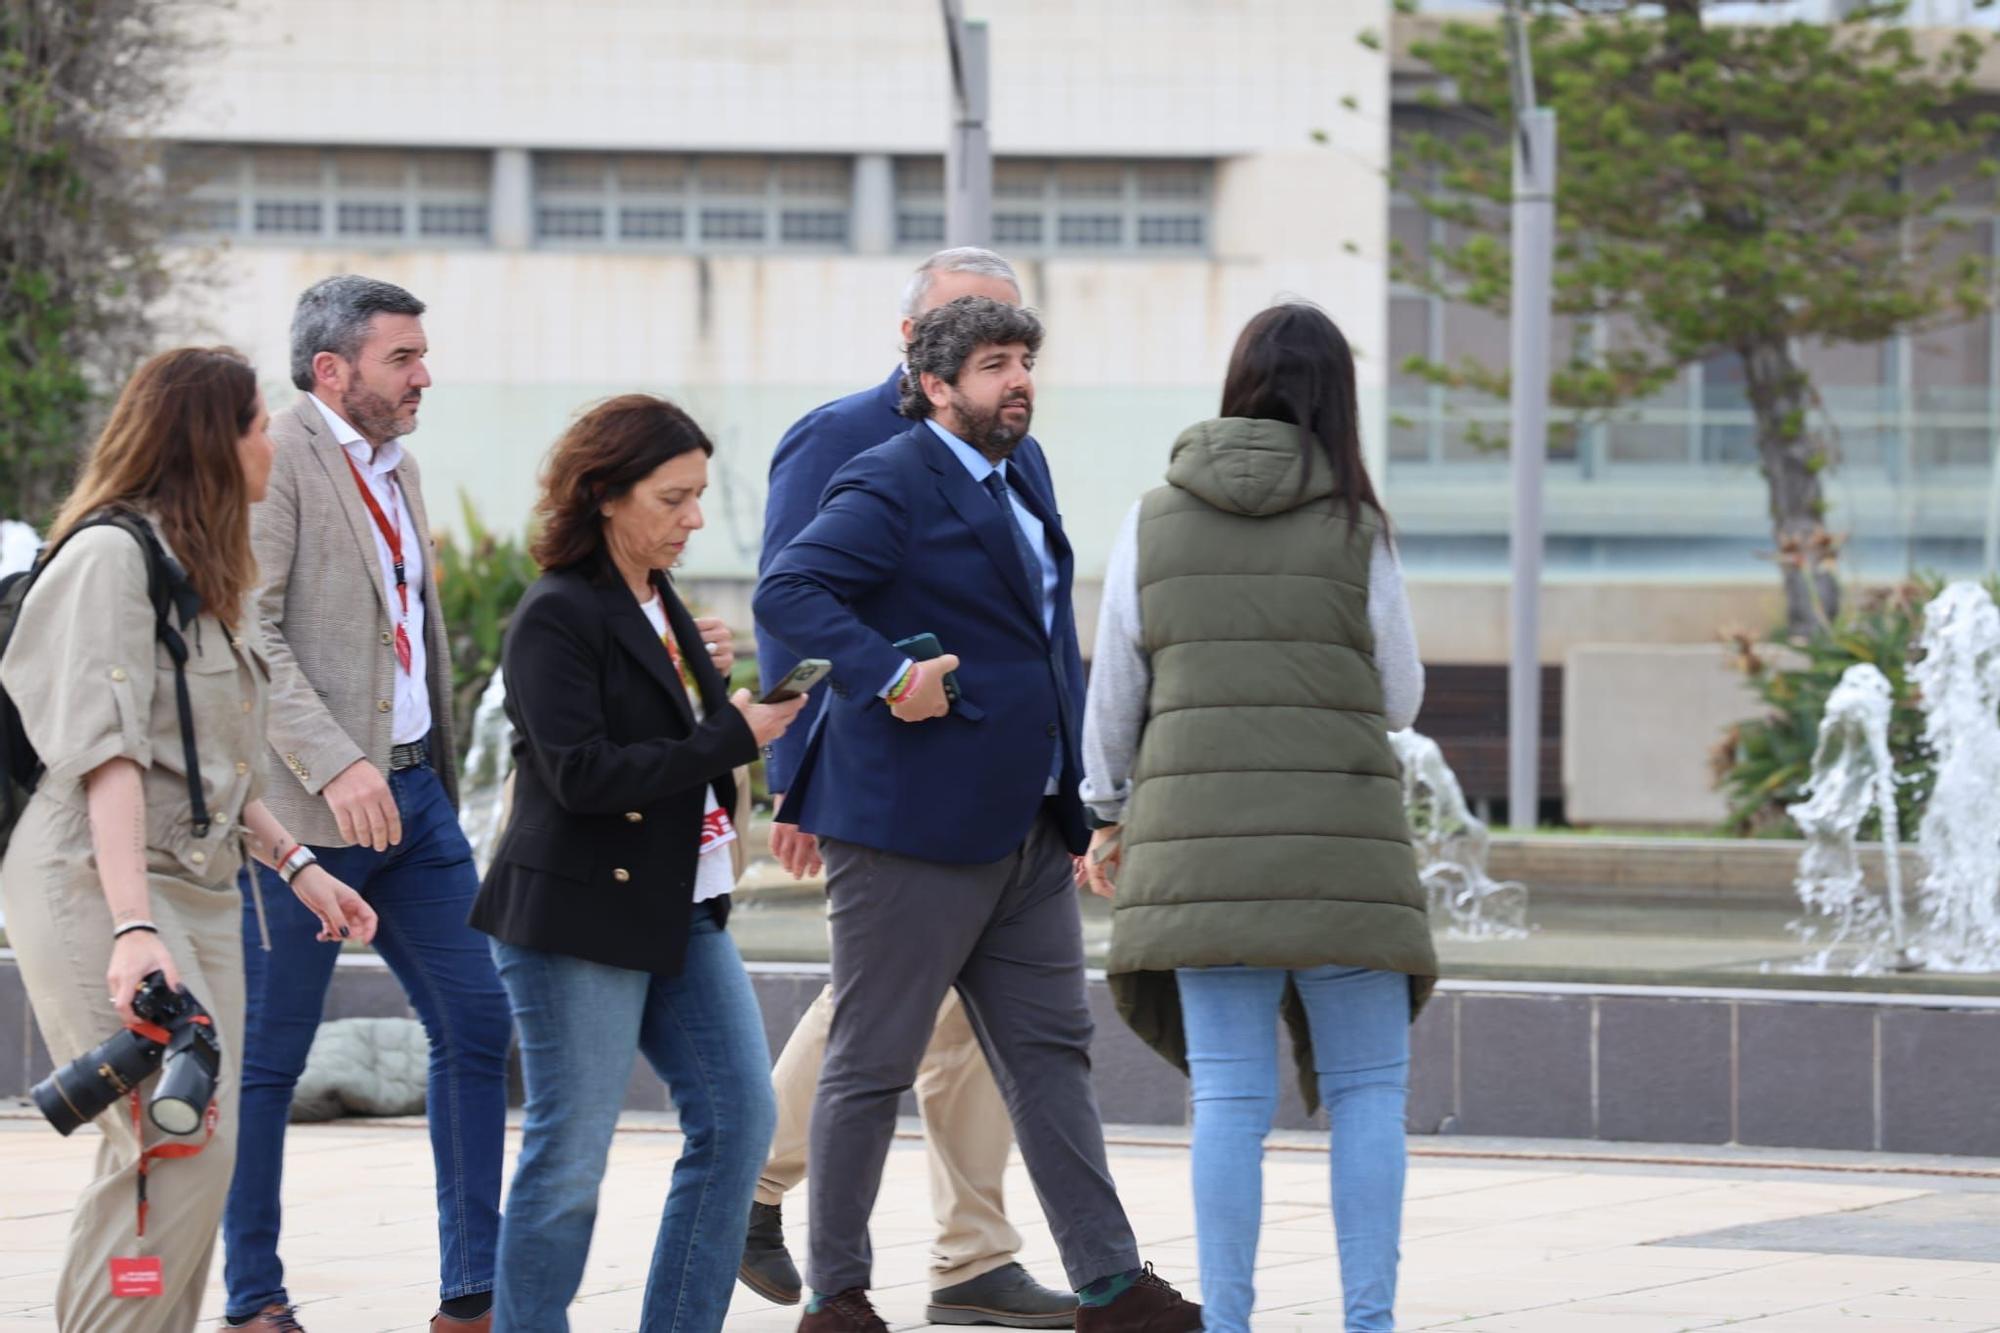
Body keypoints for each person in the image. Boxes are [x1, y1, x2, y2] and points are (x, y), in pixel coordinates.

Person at [754, 296, 1202, 1333]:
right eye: (995, 364)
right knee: (870, 1062)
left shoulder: (1022, 471)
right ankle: (838, 1294)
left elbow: (1048, 637)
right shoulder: (888, 477)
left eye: (1025, 361)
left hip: (1024, 822)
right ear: (937, 384)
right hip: (909, 822)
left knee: (1049, 1054)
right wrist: (885, 673)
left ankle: (1107, 1282)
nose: (1017, 380)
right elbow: (790, 590)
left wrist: (1086, 793)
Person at [1080, 302, 1439, 1333]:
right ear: (1339, 398)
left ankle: (1228, 1322)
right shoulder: (1354, 524)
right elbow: (1400, 694)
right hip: (1343, 851)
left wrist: (1104, 812)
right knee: (1368, 1091)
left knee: (1230, 1104)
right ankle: (1365, 1321)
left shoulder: (1152, 517)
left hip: (1200, 857)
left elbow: (1116, 692)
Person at [0, 347, 376, 1333]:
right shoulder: (107, 560)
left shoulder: (200, 569)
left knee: (195, 1147)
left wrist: (296, 865)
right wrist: (131, 927)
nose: (273, 445)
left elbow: (208, 757)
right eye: (259, 425)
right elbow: (107, 760)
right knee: (165, 1140)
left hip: (200, 883)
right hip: (100, 873)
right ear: (213, 440)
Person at [747, 246, 1073, 1329]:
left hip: (998, 792)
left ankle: (971, 1253)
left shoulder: (1015, 450)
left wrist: (1068, 783)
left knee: (968, 1028)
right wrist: (790, 780)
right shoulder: (840, 438)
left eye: (1014, 331)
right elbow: (785, 602)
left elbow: (1040, 617)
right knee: (876, 1016)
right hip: (887, 789)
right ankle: (756, 1185)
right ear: (915, 346)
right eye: (978, 332)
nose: (1008, 357)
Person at [468, 394, 802, 1330]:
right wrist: (730, 734)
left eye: (698, 496)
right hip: (576, 916)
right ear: (606, 493)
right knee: (569, 1158)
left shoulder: (667, 610)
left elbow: (669, 739)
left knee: (740, 1124)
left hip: (683, 904)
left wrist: (714, 702)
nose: (695, 517)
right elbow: (581, 777)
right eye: (674, 497)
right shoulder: (555, 614)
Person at [223, 276, 512, 1333]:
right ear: (333, 370)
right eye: (404, 357)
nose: (424, 374)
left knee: (479, 1021)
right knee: (269, 1060)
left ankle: (471, 1294)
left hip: (414, 795)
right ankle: (254, 1297)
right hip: (304, 814)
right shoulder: (279, 460)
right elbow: (252, 631)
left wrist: (410, 763)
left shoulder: (402, 464)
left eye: (422, 354)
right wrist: (334, 761)